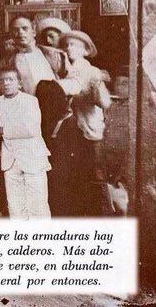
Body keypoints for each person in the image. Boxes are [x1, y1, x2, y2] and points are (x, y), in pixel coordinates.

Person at [0, 15, 82, 216]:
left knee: (63, 178)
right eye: (16, 30)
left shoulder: (53, 55)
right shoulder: (8, 62)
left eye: (25, 28)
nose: (20, 33)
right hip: (32, 126)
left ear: (34, 30)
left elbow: (77, 83)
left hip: (59, 123)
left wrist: (53, 89)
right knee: (37, 183)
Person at [61, 30, 113, 215]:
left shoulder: (91, 71)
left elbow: (105, 102)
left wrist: (96, 86)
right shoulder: (65, 71)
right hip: (71, 131)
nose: (69, 48)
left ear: (85, 50)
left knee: (96, 175)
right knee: (77, 176)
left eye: (74, 45)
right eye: (67, 45)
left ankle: (103, 216)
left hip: (90, 130)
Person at [0, 68, 51, 219]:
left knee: (38, 206)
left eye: (10, 79)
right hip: (10, 161)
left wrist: (0, 129)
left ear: (19, 83)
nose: (6, 83)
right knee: (15, 207)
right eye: (2, 80)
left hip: (32, 159)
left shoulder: (30, 101)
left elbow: (30, 129)